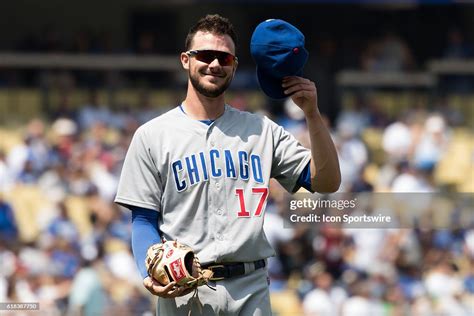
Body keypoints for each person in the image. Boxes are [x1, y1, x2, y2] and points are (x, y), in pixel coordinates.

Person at [115, 14, 340, 315]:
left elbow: (326, 182)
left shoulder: (262, 130)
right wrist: (149, 272)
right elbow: (143, 219)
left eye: (224, 58)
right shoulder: (152, 135)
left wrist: (313, 115)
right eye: (205, 55)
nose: (215, 64)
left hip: (250, 289)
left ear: (234, 65)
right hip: (184, 289)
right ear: (185, 60)